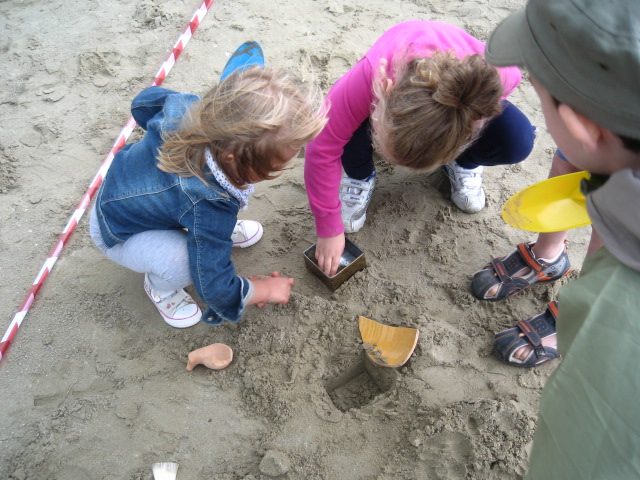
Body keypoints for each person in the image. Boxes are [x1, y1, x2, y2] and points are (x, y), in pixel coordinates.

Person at [485, 0, 640, 477]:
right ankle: (550, 256)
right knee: (596, 174)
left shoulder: (625, 327)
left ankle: (573, 310)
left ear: (581, 125)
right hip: (612, 153)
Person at [89, 49, 327, 328]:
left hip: (124, 192)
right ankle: (160, 288)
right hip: (119, 232)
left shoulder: (189, 109)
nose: (285, 167)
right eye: (276, 166)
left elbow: (143, 102)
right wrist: (263, 289)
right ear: (233, 159)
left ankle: (212, 234)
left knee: (203, 220)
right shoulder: (209, 203)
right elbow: (213, 286)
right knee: (183, 263)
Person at [304, 20, 537, 276]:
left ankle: (463, 163)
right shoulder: (370, 76)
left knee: (518, 139)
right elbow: (322, 148)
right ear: (384, 90)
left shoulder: (501, 77)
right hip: (392, 71)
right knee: (344, 123)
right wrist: (329, 228)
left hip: (463, 91)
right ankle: (359, 175)